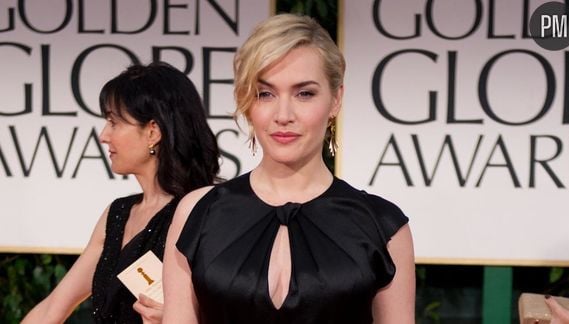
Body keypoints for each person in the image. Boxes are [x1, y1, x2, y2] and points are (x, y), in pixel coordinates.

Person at [162, 13, 415, 323]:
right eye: (265, 93)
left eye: (304, 93)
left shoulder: (384, 226)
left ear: (335, 100)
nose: (283, 114)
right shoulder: (197, 213)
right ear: (247, 101)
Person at [22, 62, 220, 323]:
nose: (104, 136)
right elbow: (52, 309)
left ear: (153, 131)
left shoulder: (206, 212)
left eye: (114, 122)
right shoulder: (117, 215)